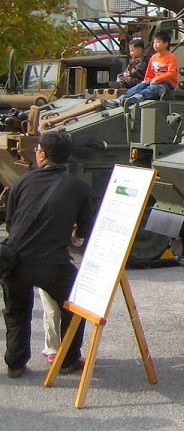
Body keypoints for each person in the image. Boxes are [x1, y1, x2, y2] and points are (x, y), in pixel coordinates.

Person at [2, 132, 93, 378]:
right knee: (75, 306)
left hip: (17, 261)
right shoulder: (78, 186)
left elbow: (11, 224)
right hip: (54, 263)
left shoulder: (22, 182)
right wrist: (72, 236)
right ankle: (68, 360)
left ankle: (15, 364)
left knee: (17, 312)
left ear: (41, 155)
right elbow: (85, 227)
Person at [103, 30, 179, 108]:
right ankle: (117, 101)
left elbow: (171, 73)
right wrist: (145, 82)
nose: (155, 45)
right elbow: (149, 73)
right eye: (154, 43)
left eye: (158, 42)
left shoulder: (171, 57)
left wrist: (157, 79)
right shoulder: (154, 57)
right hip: (154, 80)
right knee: (138, 87)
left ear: (165, 44)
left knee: (150, 90)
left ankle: (131, 101)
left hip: (166, 84)